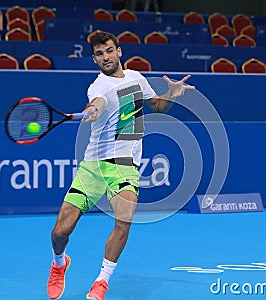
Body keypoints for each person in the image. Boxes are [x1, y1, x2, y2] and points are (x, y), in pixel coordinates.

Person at [46, 30, 194, 300]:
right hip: (94, 165)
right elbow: (97, 105)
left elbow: (158, 106)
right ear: (94, 59)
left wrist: (172, 94)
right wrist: (92, 113)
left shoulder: (137, 77)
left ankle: (102, 281)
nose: (106, 57)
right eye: (100, 54)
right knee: (60, 232)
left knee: (124, 222)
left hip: (125, 165)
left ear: (119, 51)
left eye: (109, 50)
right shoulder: (98, 86)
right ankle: (59, 263)